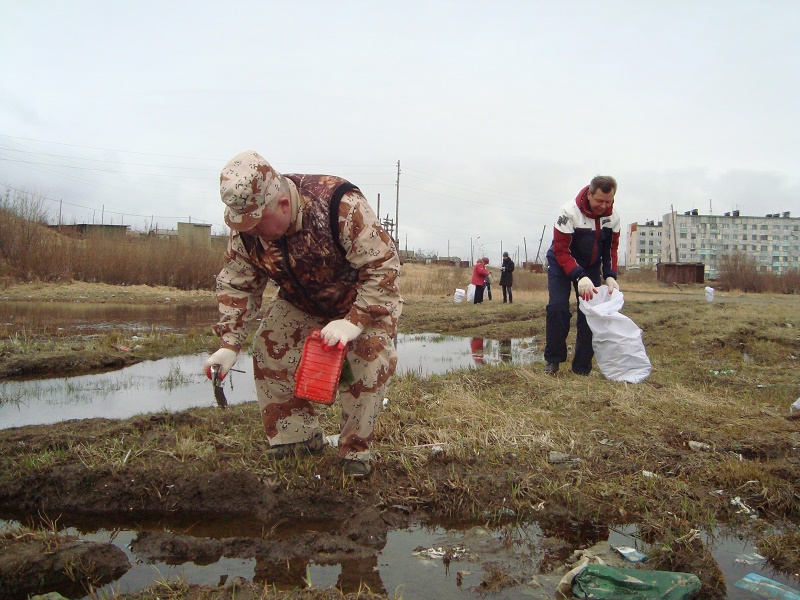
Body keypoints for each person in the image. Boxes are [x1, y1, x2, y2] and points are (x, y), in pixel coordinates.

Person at [204, 150, 403, 478]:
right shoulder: (246, 229)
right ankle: (295, 439)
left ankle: (355, 452)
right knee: (269, 348)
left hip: (361, 301)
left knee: (369, 358)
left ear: (283, 204)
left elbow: (382, 267)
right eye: (244, 224)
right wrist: (228, 344)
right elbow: (237, 283)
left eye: (257, 223)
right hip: (301, 302)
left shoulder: (340, 205)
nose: (251, 232)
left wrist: (353, 323)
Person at [543, 175, 620, 376]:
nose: (603, 206)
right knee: (557, 308)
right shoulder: (568, 212)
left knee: (590, 314)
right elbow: (561, 250)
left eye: (608, 201)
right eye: (599, 200)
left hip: (591, 265)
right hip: (561, 263)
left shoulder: (613, 218)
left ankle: (582, 367)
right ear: (590, 194)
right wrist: (579, 276)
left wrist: (610, 274)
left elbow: (610, 249)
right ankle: (553, 360)